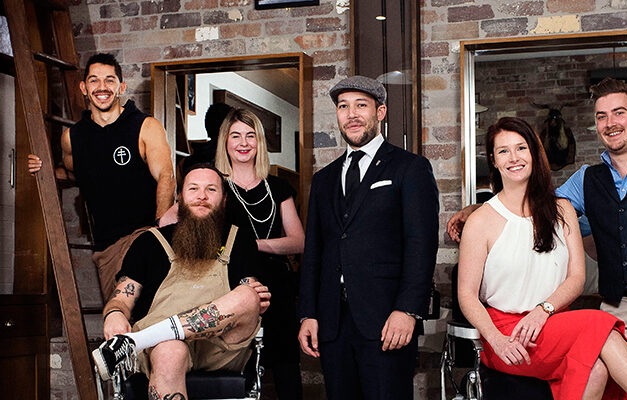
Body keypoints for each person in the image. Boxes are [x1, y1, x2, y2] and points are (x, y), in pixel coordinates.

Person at [449, 78, 627, 400]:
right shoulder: (584, 180)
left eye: (619, 113)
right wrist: (476, 211)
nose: (610, 123)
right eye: (601, 116)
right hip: (617, 306)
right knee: (618, 391)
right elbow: (530, 214)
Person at [458, 116, 627, 400]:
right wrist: (496, 339)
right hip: (506, 332)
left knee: (597, 370)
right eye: (503, 151)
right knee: (600, 324)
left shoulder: (562, 210)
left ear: (534, 153)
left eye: (521, 148)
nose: (514, 157)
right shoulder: (480, 221)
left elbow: (577, 278)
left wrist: (543, 310)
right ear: (493, 160)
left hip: (552, 323)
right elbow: (466, 294)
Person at [297, 75, 439, 400]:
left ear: (380, 112)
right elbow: (314, 251)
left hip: (387, 319)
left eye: (361, 105)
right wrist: (308, 313)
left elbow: (421, 245)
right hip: (332, 323)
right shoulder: (323, 179)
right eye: (343, 107)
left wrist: (407, 310)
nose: (352, 114)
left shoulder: (410, 168)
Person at [92, 165, 270, 400]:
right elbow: (122, 298)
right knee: (169, 352)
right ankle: (152, 338)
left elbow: (249, 294)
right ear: (180, 197)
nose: (202, 196)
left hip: (221, 347)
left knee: (248, 295)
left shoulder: (240, 240)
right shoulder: (149, 243)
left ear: (224, 199)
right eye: (193, 189)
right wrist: (115, 313)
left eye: (211, 189)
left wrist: (256, 301)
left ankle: (135, 342)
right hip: (163, 347)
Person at [28, 53, 175, 299]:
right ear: (84, 88)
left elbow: (166, 176)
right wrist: (43, 168)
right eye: (94, 80)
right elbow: (72, 174)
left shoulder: (146, 126)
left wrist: (159, 231)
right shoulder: (72, 138)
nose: (102, 87)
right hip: (107, 246)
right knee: (120, 314)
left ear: (121, 87)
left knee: (146, 308)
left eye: (109, 80)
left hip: (144, 234)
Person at [214, 108, 305, 399]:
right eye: (236, 136)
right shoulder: (214, 186)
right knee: (235, 368)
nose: (243, 143)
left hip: (277, 286)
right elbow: (173, 222)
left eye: (250, 135)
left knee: (286, 368)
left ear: (259, 142)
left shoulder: (277, 187)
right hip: (230, 286)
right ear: (225, 141)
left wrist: (252, 244)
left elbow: (299, 242)